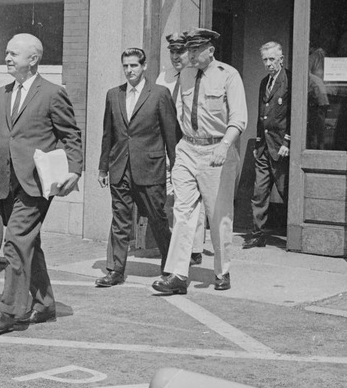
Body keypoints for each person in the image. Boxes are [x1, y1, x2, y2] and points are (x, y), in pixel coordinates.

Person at [0, 33, 83, 333]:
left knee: (16, 241)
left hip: (37, 183)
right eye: (6, 52)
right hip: (7, 180)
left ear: (33, 59)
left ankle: (10, 312)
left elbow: (71, 135)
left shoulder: (52, 93)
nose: (7, 57)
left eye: (13, 53)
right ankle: (44, 305)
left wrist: (74, 170)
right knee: (29, 242)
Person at [152, 27, 247, 294]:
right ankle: (178, 275)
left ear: (210, 50)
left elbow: (238, 118)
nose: (190, 55)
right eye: (188, 50)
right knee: (182, 212)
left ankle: (222, 270)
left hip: (217, 151)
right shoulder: (185, 74)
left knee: (218, 216)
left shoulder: (229, 76)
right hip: (187, 150)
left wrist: (225, 145)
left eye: (196, 50)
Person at [97, 48, 178, 287]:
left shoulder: (160, 94)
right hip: (119, 167)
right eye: (126, 66)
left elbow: (171, 135)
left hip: (150, 168)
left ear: (143, 67)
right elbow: (107, 135)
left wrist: (177, 168)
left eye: (134, 65)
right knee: (120, 220)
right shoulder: (114, 95)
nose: (130, 71)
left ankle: (170, 265)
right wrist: (103, 168)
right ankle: (115, 270)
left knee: (157, 218)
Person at [156, 31, 205, 267]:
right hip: (168, 142)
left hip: (188, 142)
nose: (176, 56)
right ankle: (174, 244)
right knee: (170, 196)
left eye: (180, 52)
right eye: (173, 52)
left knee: (191, 196)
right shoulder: (163, 77)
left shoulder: (195, 75)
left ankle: (194, 248)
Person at [244, 41, 291, 248]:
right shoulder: (265, 82)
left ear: (281, 59)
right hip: (264, 147)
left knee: (286, 190)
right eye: (265, 60)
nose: (268, 63)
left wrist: (288, 140)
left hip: (281, 148)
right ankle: (258, 234)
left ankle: (295, 235)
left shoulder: (289, 80)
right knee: (259, 192)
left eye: (272, 59)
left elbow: (294, 113)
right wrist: (256, 142)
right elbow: (261, 115)